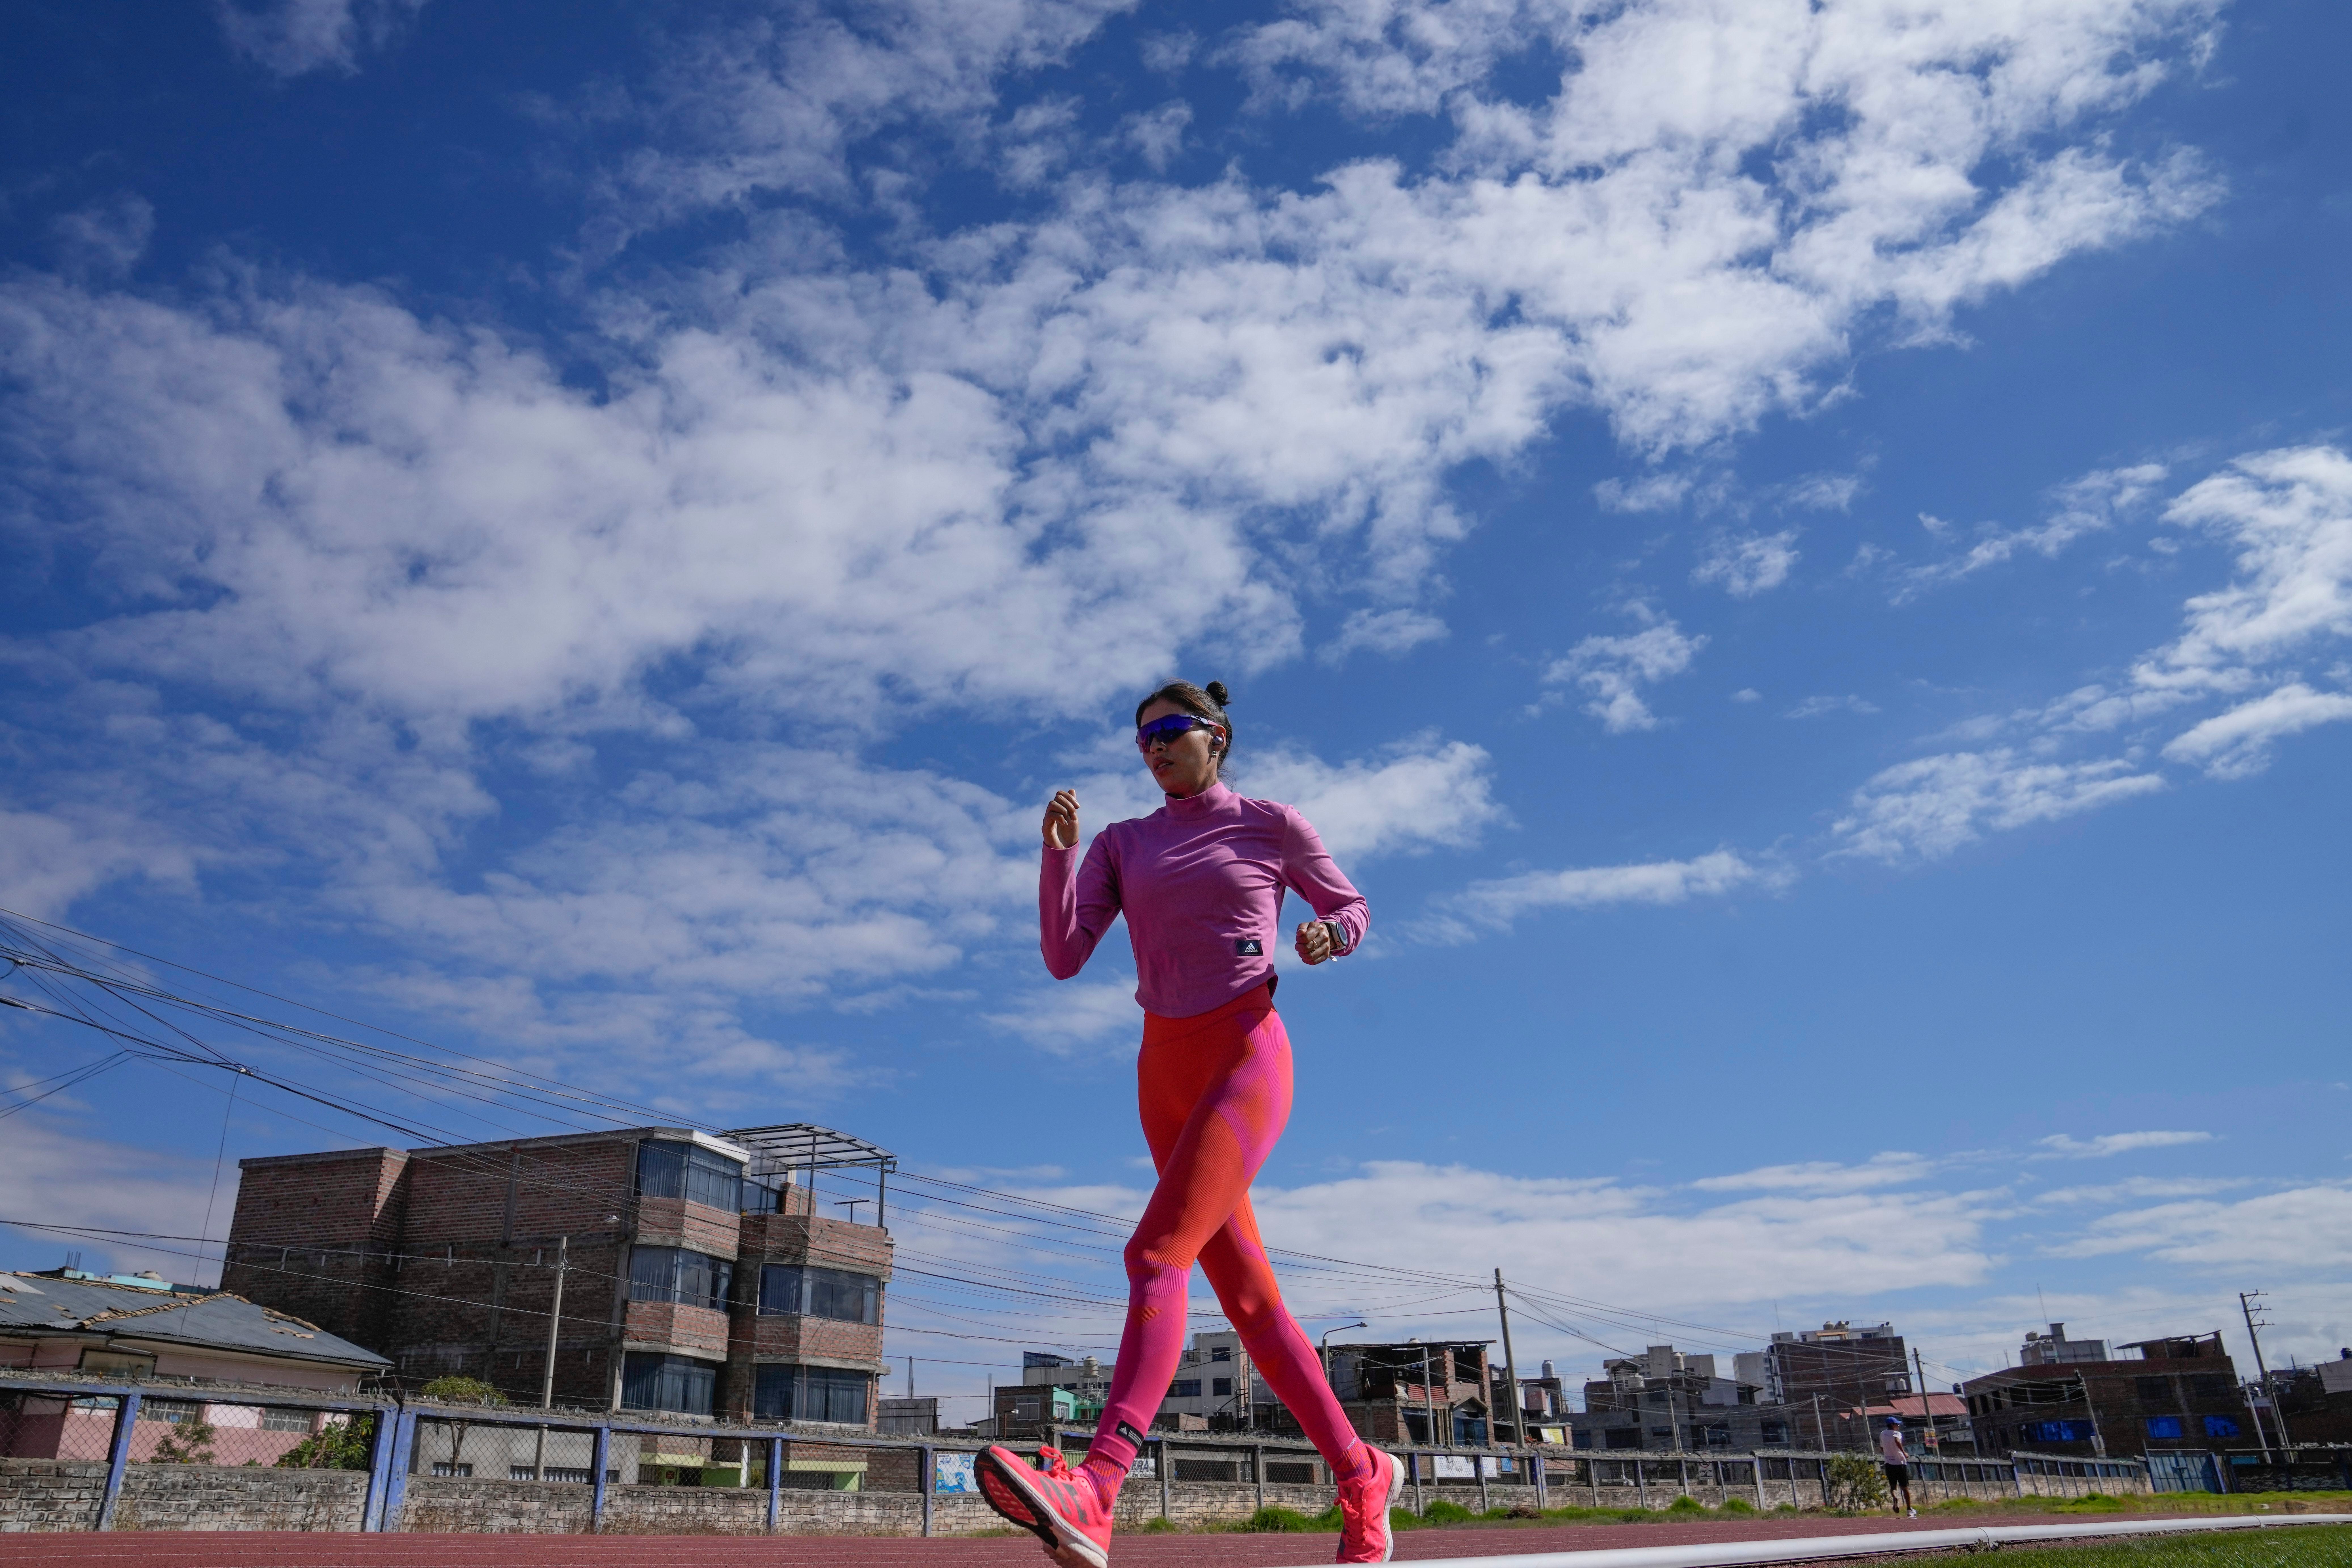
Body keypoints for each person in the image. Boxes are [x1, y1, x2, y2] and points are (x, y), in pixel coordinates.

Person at [973, 680, 1408, 1567]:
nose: (1154, 749)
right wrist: (1056, 856)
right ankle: (1362, 1473)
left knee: (1154, 1255)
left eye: (1170, 732)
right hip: (1161, 1073)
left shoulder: (1270, 822)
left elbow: (1350, 905)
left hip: (1245, 1053)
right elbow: (1063, 957)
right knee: (1248, 1303)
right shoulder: (1120, 843)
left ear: (1216, 737)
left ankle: (1096, 1486)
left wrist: (1331, 933)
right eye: (1142, 740)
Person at [1879, 1416, 1916, 1516]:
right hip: (1900, 1463)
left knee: (1893, 1486)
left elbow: (1882, 1448)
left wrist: (1888, 1453)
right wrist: (1905, 1453)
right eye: (1897, 1424)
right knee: (1905, 1487)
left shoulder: (1883, 1434)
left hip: (1889, 1463)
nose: (1898, 1426)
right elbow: (1897, 1441)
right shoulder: (1897, 1434)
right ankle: (1909, 1510)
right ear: (1892, 1425)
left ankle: (1895, 1498)